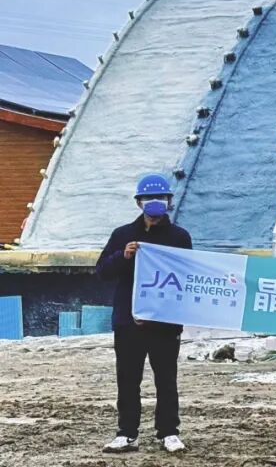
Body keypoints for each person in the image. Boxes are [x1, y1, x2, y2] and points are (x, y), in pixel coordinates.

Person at [95, 173, 193, 454]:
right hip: (129, 322)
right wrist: (123, 256)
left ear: (169, 201)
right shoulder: (123, 235)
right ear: (139, 202)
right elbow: (102, 271)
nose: (155, 202)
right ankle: (127, 434)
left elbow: (188, 274)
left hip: (165, 323)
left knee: (166, 380)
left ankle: (169, 433)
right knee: (128, 380)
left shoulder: (179, 237)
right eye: (149, 198)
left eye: (160, 197)